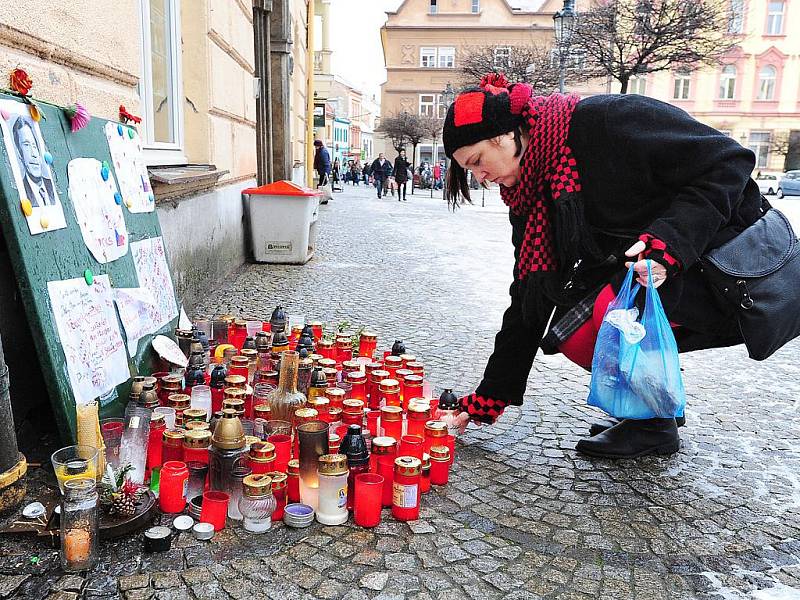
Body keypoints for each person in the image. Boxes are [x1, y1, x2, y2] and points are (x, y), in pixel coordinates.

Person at [444, 73, 769, 459]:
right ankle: (654, 408)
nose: (480, 178)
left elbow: (730, 161)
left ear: (504, 135)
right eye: (469, 171)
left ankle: (653, 422)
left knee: (609, 311)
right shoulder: (530, 195)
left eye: (478, 161)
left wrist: (668, 246)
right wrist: (487, 398)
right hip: (650, 273)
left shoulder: (607, 120)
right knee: (571, 328)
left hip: (727, 261)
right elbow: (528, 296)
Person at [13, 116, 56, 207]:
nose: (34, 154)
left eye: (34, 146)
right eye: (26, 145)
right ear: (19, 154)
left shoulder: (51, 188)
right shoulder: (21, 190)